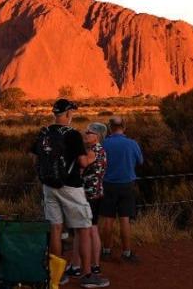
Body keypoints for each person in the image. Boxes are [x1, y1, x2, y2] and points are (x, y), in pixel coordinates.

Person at [31, 99, 109, 288]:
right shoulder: (73, 134)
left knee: (56, 230)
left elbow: (35, 157)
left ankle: (56, 276)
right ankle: (87, 274)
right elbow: (82, 163)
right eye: (71, 113)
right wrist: (91, 158)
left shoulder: (44, 132)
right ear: (67, 114)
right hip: (71, 187)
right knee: (83, 229)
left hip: (49, 186)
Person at [99, 116, 143, 262]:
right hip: (127, 185)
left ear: (110, 127)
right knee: (125, 219)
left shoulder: (104, 144)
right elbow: (140, 161)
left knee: (108, 219)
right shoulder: (132, 144)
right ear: (124, 127)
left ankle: (106, 251)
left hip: (108, 185)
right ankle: (127, 253)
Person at [67, 122, 108, 278]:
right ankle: (94, 265)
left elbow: (82, 165)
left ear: (97, 136)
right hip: (97, 193)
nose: (86, 134)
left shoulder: (92, 151)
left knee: (82, 230)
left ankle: (77, 266)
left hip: (87, 195)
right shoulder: (102, 151)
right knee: (93, 228)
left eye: (89, 132)